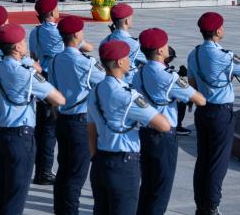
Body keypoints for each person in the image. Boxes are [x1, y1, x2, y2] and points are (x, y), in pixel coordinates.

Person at [0, 23, 65, 215]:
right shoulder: (25, 74)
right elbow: (58, 99)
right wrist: (34, 71)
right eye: (22, 41)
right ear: (18, 47)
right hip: (20, 138)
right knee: (15, 196)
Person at [87, 40, 171, 215]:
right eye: (126, 57)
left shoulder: (95, 90)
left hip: (100, 162)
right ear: (119, 62)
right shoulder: (128, 96)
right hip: (123, 166)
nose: (129, 60)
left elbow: (91, 128)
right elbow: (163, 125)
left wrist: (96, 156)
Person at [133, 27, 205, 215]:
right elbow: (200, 99)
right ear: (159, 51)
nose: (167, 47)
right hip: (163, 136)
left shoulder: (138, 72)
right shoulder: (168, 77)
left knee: (147, 185)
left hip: (144, 132)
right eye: (165, 45)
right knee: (161, 189)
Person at [48, 15, 105, 215]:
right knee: (76, 175)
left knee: (64, 171)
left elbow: (53, 93)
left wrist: (57, 115)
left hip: (63, 120)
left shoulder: (56, 60)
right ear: (76, 34)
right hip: (80, 122)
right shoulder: (86, 63)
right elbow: (107, 80)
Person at [187, 11, 240, 215]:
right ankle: (211, 206)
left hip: (202, 111)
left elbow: (191, 84)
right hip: (221, 114)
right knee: (218, 160)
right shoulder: (225, 57)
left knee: (204, 158)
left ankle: (201, 204)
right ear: (218, 31)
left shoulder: (195, 53)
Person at [101, 2, 141, 83]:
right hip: (129, 84)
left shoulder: (105, 41)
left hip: (110, 81)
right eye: (131, 17)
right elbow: (152, 59)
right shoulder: (133, 43)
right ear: (126, 21)